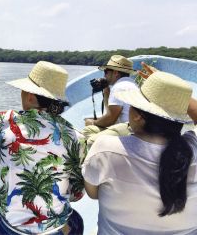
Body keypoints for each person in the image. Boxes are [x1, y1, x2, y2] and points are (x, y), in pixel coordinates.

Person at [0, 51, 86, 234]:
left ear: (31, 97)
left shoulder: (9, 121)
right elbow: (76, 195)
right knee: (75, 221)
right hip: (55, 230)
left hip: (10, 229)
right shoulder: (76, 137)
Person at [82, 70, 197, 234]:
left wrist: (163, 89)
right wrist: (174, 94)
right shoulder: (194, 146)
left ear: (137, 116)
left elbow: (93, 194)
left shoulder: (105, 149)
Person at [83, 55, 139, 145]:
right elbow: (111, 113)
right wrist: (106, 90)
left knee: (88, 130)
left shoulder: (119, 87)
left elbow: (110, 119)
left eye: (106, 72)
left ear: (116, 73)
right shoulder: (132, 84)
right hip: (135, 129)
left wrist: (93, 123)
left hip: (127, 129)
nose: (104, 75)